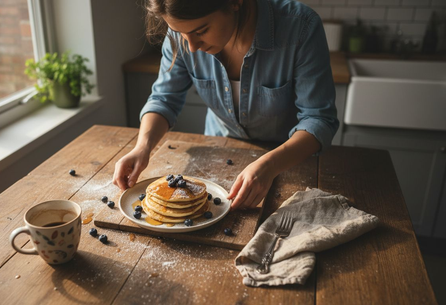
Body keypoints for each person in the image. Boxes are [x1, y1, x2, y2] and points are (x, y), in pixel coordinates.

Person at [113, 0, 339, 210]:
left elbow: (319, 119)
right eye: (182, 34)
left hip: (288, 161)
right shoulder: (184, 37)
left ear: (234, 2)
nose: (191, 47)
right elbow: (163, 98)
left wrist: (270, 165)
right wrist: (142, 147)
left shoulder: (300, 26)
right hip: (217, 154)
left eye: (201, 31)